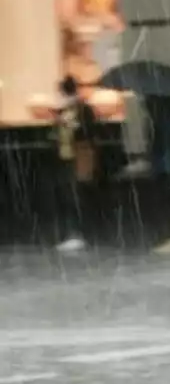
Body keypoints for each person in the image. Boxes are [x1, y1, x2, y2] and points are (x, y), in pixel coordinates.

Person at [53, 75, 95, 253]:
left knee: (76, 195)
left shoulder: (82, 109)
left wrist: (73, 127)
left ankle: (78, 234)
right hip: (66, 157)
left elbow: (87, 131)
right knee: (69, 195)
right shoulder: (65, 110)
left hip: (79, 156)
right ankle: (73, 233)